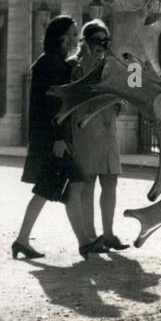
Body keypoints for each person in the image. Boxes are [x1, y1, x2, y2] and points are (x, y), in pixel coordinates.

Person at [13, 15, 104, 260]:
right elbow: (53, 105)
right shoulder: (52, 64)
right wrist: (59, 139)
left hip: (53, 138)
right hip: (54, 139)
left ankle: (24, 240)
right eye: (74, 35)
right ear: (62, 38)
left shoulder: (52, 61)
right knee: (66, 185)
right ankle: (84, 242)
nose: (77, 39)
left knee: (52, 188)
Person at [67, 19, 129, 252]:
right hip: (86, 128)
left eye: (105, 41)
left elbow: (128, 86)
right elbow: (79, 94)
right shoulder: (75, 65)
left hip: (107, 126)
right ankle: (92, 235)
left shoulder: (110, 64)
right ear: (86, 41)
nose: (101, 45)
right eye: (96, 41)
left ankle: (109, 233)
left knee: (110, 181)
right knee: (89, 183)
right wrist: (91, 62)